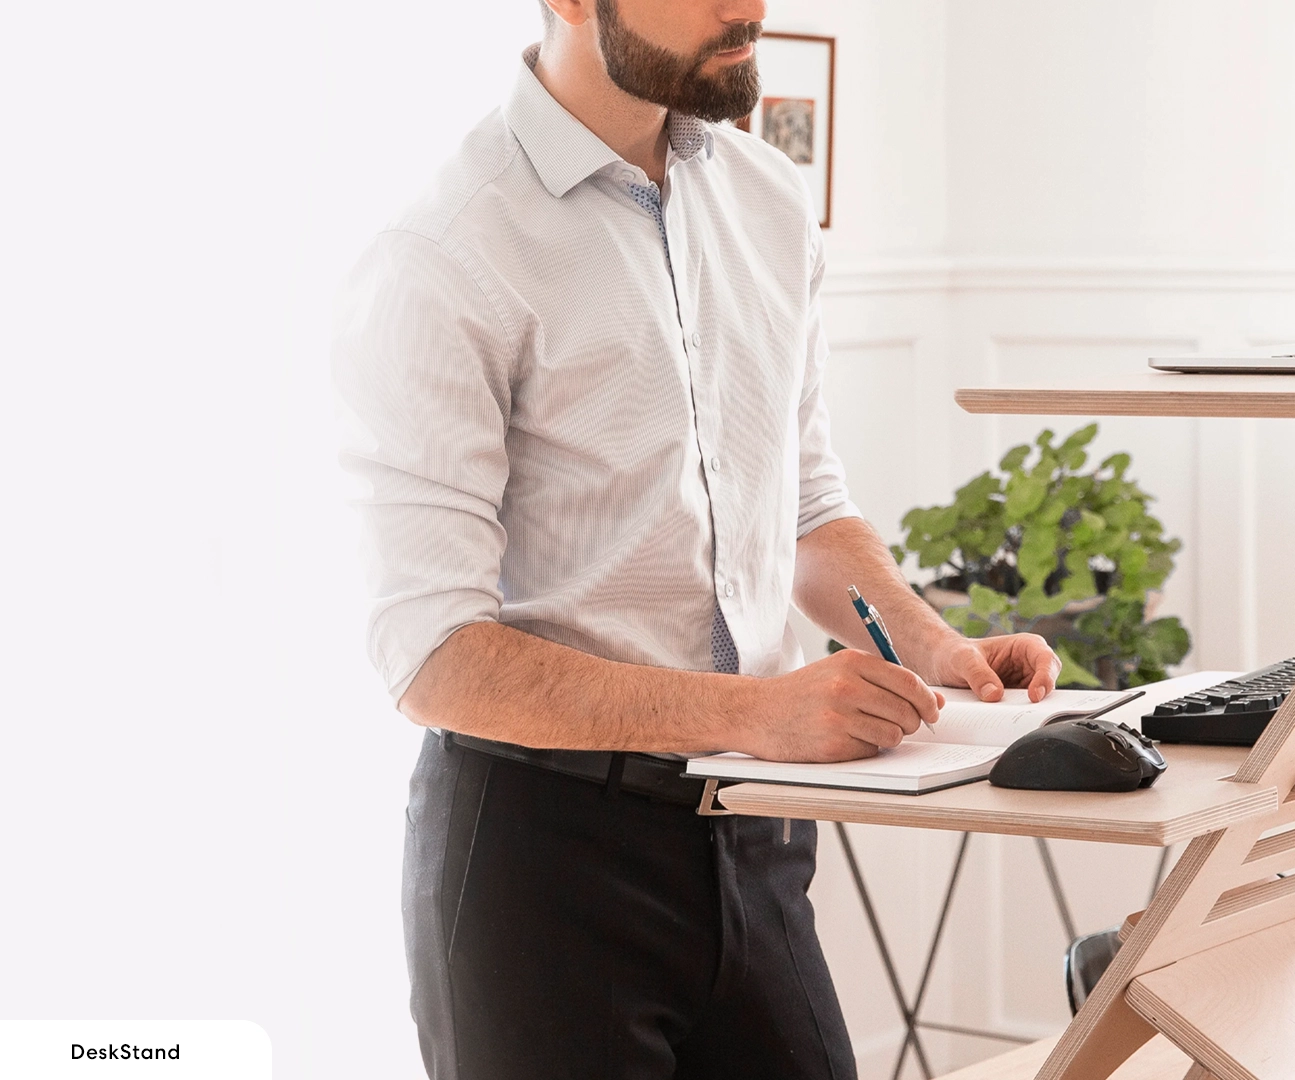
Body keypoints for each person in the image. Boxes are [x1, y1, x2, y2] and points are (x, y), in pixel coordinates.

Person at [331, 2, 1061, 1077]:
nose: (750, 5)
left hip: (756, 841)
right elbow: (431, 657)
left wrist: (927, 646)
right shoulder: (443, 253)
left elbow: (806, 505)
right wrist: (757, 716)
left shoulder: (768, 202)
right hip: (540, 867)